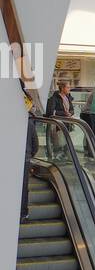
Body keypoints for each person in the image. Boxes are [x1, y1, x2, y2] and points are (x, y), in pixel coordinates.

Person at [20, 86, 38, 221]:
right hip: (25, 158)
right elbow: (35, 144)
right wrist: (29, 155)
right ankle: (23, 213)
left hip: (10, 159)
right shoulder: (29, 123)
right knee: (23, 186)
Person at [45, 79, 74, 159]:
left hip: (66, 124)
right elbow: (51, 111)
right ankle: (56, 155)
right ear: (62, 88)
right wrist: (65, 113)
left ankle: (64, 155)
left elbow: (72, 109)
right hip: (57, 124)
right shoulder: (54, 98)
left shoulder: (68, 97)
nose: (69, 89)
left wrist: (70, 113)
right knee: (58, 141)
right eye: (68, 87)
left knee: (65, 140)